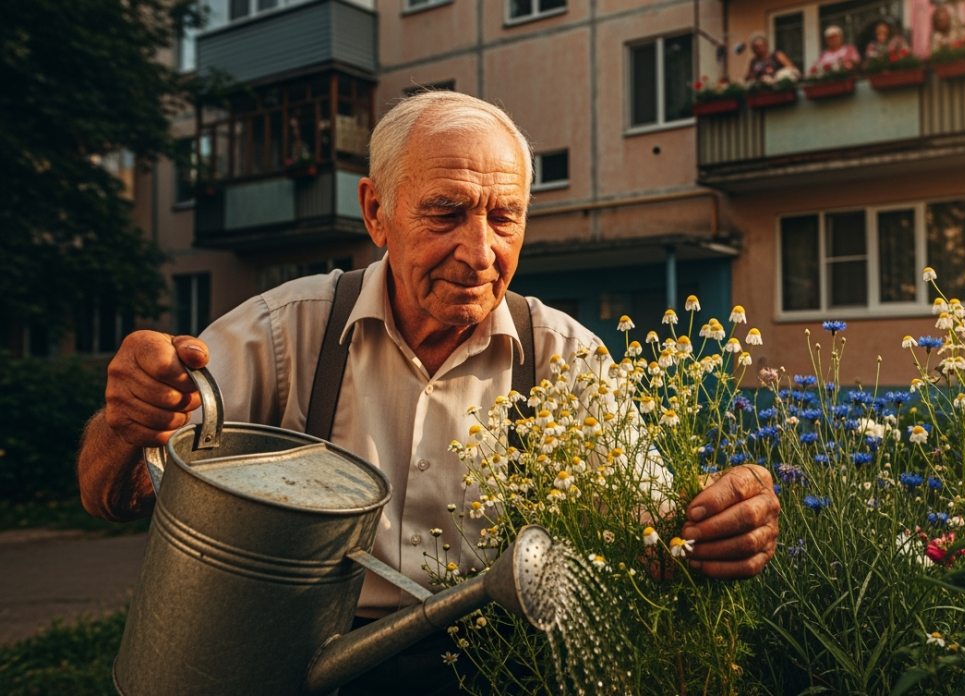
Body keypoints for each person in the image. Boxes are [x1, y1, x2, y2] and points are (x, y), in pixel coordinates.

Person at [76, 90, 781, 695]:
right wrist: (125, 424)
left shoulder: (564, 354)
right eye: (446, 213)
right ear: (376, 212)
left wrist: (715, 523)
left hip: (500, 665)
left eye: (504, 217)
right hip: (299, 661)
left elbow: (652, 532)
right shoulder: (286, 332)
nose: (480, 254)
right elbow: (116, 496)